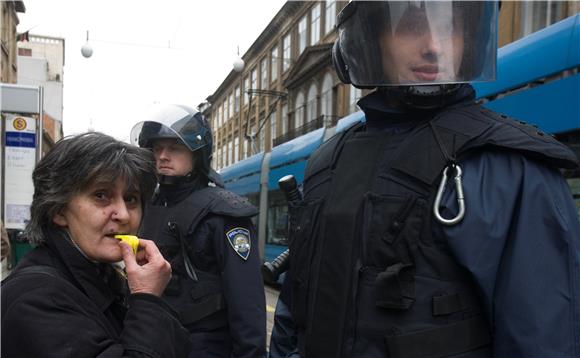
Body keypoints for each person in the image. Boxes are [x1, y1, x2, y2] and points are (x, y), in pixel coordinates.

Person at [280, 1, 580, 357]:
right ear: (371, 38)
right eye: (411, 26)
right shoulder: (326, 162)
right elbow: (293, 311)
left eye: (451, 28)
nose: (434, 46)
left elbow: (544, 339)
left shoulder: (511, 167)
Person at [1, 132, 192, 357]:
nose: (123, 214)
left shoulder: (103, 275)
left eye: (131, 198)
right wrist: (147, 298)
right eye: (101, 195)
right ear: (59, 210)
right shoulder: (36, 298)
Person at [130, 104, 266, 358]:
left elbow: (247, 304)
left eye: (174, 147)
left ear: (198, 154)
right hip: (153, 341)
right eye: (157, 148)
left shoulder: (223, 214)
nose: (162, 156)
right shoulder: (147, 205)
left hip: (204, 347)